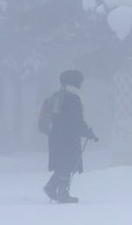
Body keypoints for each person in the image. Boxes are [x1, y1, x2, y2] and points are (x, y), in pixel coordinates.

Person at [43, 69, 98, 203]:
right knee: (68, 163)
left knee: (62, 164)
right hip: (68, 138)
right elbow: (75, 121)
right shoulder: (73, 99)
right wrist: (87, 132)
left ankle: (52, 187)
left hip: (55, 137)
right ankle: (61, 192)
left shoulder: (56, 96)